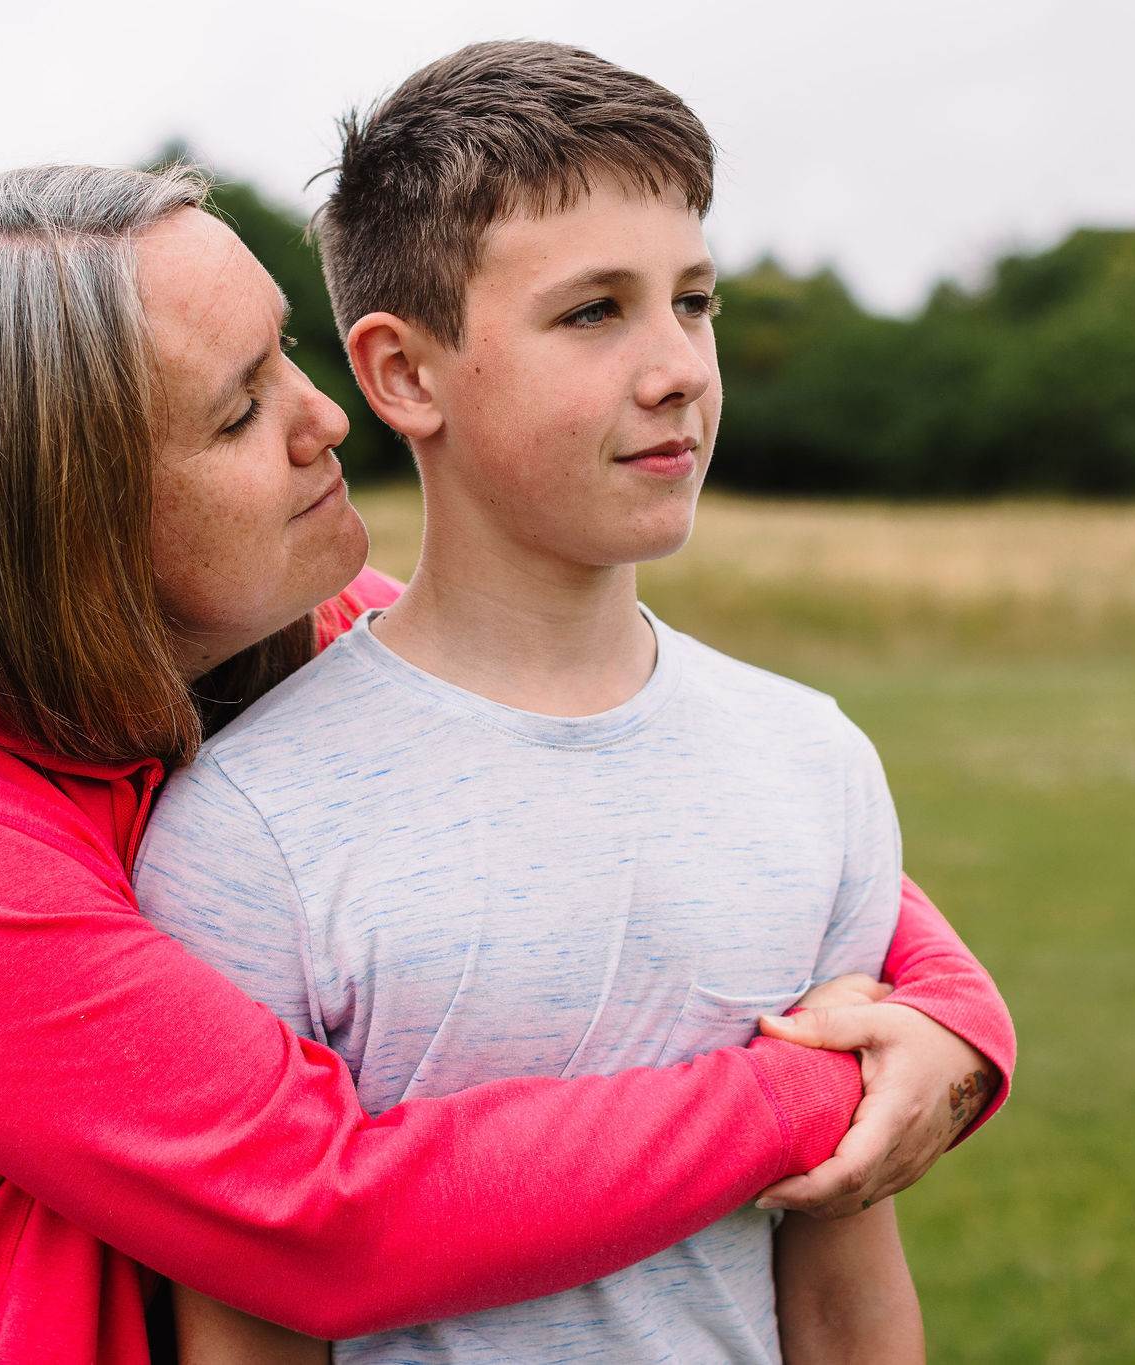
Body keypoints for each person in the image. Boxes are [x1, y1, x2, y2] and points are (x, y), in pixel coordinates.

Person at [0, 159, 1014, 1365]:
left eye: (283, 351)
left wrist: (956, 1019)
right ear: (60, 520)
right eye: (238, 413)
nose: (327, 418)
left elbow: (771, 845)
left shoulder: (313, 638)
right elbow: (320, 1219)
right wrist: (812, 1089)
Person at [135, 43, 991, 1365]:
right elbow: (250, 1328)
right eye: (595, 312)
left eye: (692, 302)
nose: (680, 371)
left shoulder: (811, 760)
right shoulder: (251, 824)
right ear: (405, 374)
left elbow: (840, 1270)